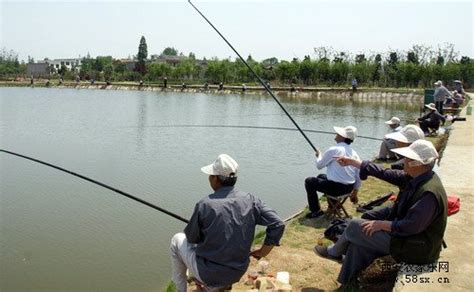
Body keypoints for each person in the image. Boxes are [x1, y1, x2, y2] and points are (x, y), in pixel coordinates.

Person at [314, 140, 447, 287]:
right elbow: (383, 172)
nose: (403, 161)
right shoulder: (415, 178)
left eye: (408, 159)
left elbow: (411, 227)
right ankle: (348, 284)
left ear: (418, 163)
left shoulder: (429, 193)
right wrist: (354, 163)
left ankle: (335, 252)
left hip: (416, 248)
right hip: (407, 240)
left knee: (355, 225)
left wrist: (381, 224)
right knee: (360, 244)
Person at [170, 154, 285, 291]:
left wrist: (199, 227)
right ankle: (213, 286)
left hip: (209, 274)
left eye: (211, 175)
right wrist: (263, 252)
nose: (209, 178)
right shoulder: (251, 200)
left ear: (216, 179)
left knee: (177, 240)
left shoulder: (204, 205)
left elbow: (192, 238)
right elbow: (278, 223)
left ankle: (182, 289)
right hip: (237, 272)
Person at [304, 126, 361, 219]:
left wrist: (319, 155)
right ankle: (334, 206)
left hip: (337, 188)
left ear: (342, 137)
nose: (336, 135)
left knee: (309, 181)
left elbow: (319, 165)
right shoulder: (354, 153)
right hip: (348, 188)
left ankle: (316, 211)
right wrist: (355, 192)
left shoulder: (334, 149)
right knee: (321, 176)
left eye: (338, 133)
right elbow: (358, 176)